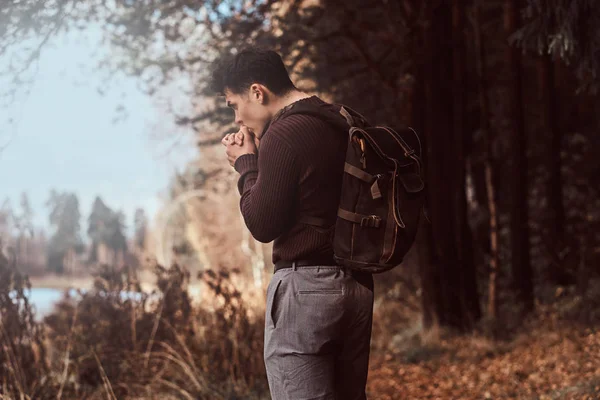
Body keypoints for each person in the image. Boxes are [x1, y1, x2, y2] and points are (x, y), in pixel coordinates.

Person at [211, 48, 374, 400]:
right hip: (356, 288)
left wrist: (246, 165)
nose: (238, 119)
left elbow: (263, 223)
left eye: (234, 105)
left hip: (306, 291)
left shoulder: (285, 134)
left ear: (258, 92)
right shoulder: (339, 121)